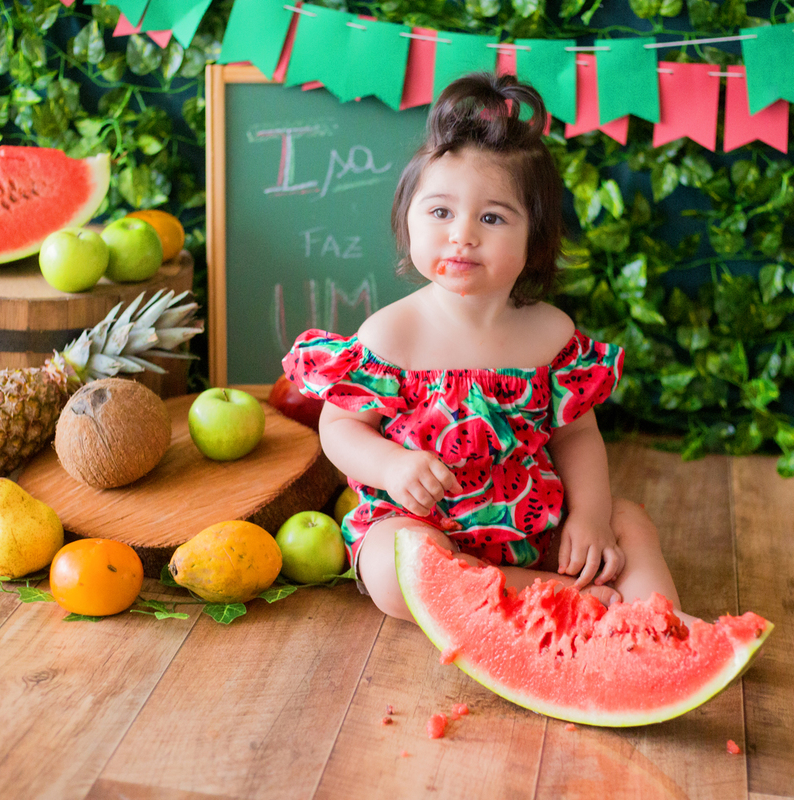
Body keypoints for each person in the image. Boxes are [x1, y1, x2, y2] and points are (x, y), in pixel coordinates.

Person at [283, 72, 680, 622]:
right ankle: (545, 594)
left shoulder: (550, 335)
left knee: (628, 521)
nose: (462, 234)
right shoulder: (391, 334)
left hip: (534, 526)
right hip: (426, 528)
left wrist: (588, 517)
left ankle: (666, 627)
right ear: (408, 219)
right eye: (440, 212)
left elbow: (578, 436)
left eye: (491, 217)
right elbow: (340, 428)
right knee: (391, 572)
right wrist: (393, 465)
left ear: (533, 238)